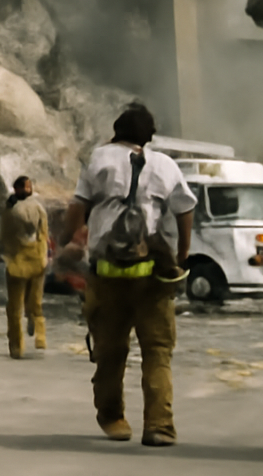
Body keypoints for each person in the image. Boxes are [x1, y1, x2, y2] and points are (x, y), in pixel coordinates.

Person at [60, 101, 196, 447]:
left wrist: (68, 243)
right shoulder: (165, 165)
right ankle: (160, 426)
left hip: (107, 277)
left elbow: (78, 206)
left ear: (116, 131)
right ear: (148, 136)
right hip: (153, 279)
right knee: (157, 350)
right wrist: (181, 254)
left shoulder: (99, 158)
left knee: (110, 352)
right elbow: (185, 208)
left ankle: (112, 417)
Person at [0, 175, 48, 359]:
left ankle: (19, 344)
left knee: (18, 306)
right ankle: (33, 336)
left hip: (22, 261)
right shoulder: (34, 207)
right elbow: (43, 233)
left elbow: (4, 235)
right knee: (30, 302)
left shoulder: (12, 209)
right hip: (31, 260)